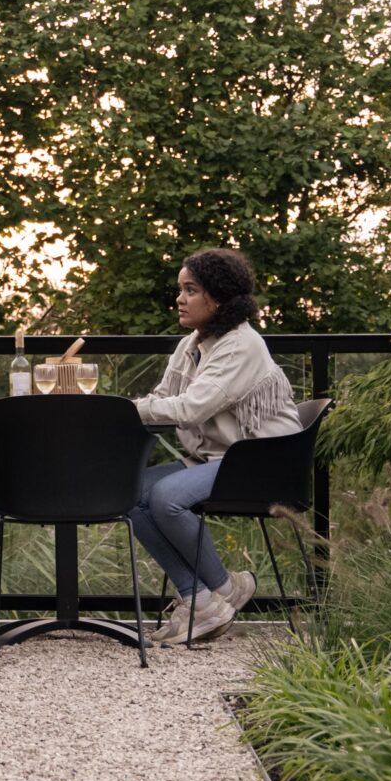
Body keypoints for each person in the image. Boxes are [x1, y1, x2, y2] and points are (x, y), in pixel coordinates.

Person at [129, 248, 299, 646]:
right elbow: (162, 396)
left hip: (259, 459)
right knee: (129, 494)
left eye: (190, 290)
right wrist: (132, 410)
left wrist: (128, 410)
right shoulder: (192, 343)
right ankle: (203, 598)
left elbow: (189, 408)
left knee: (167, 497)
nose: (179, 299)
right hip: (216, 459)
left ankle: (220, 590)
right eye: (180, 290)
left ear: (218, 298)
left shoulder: (241, 345)